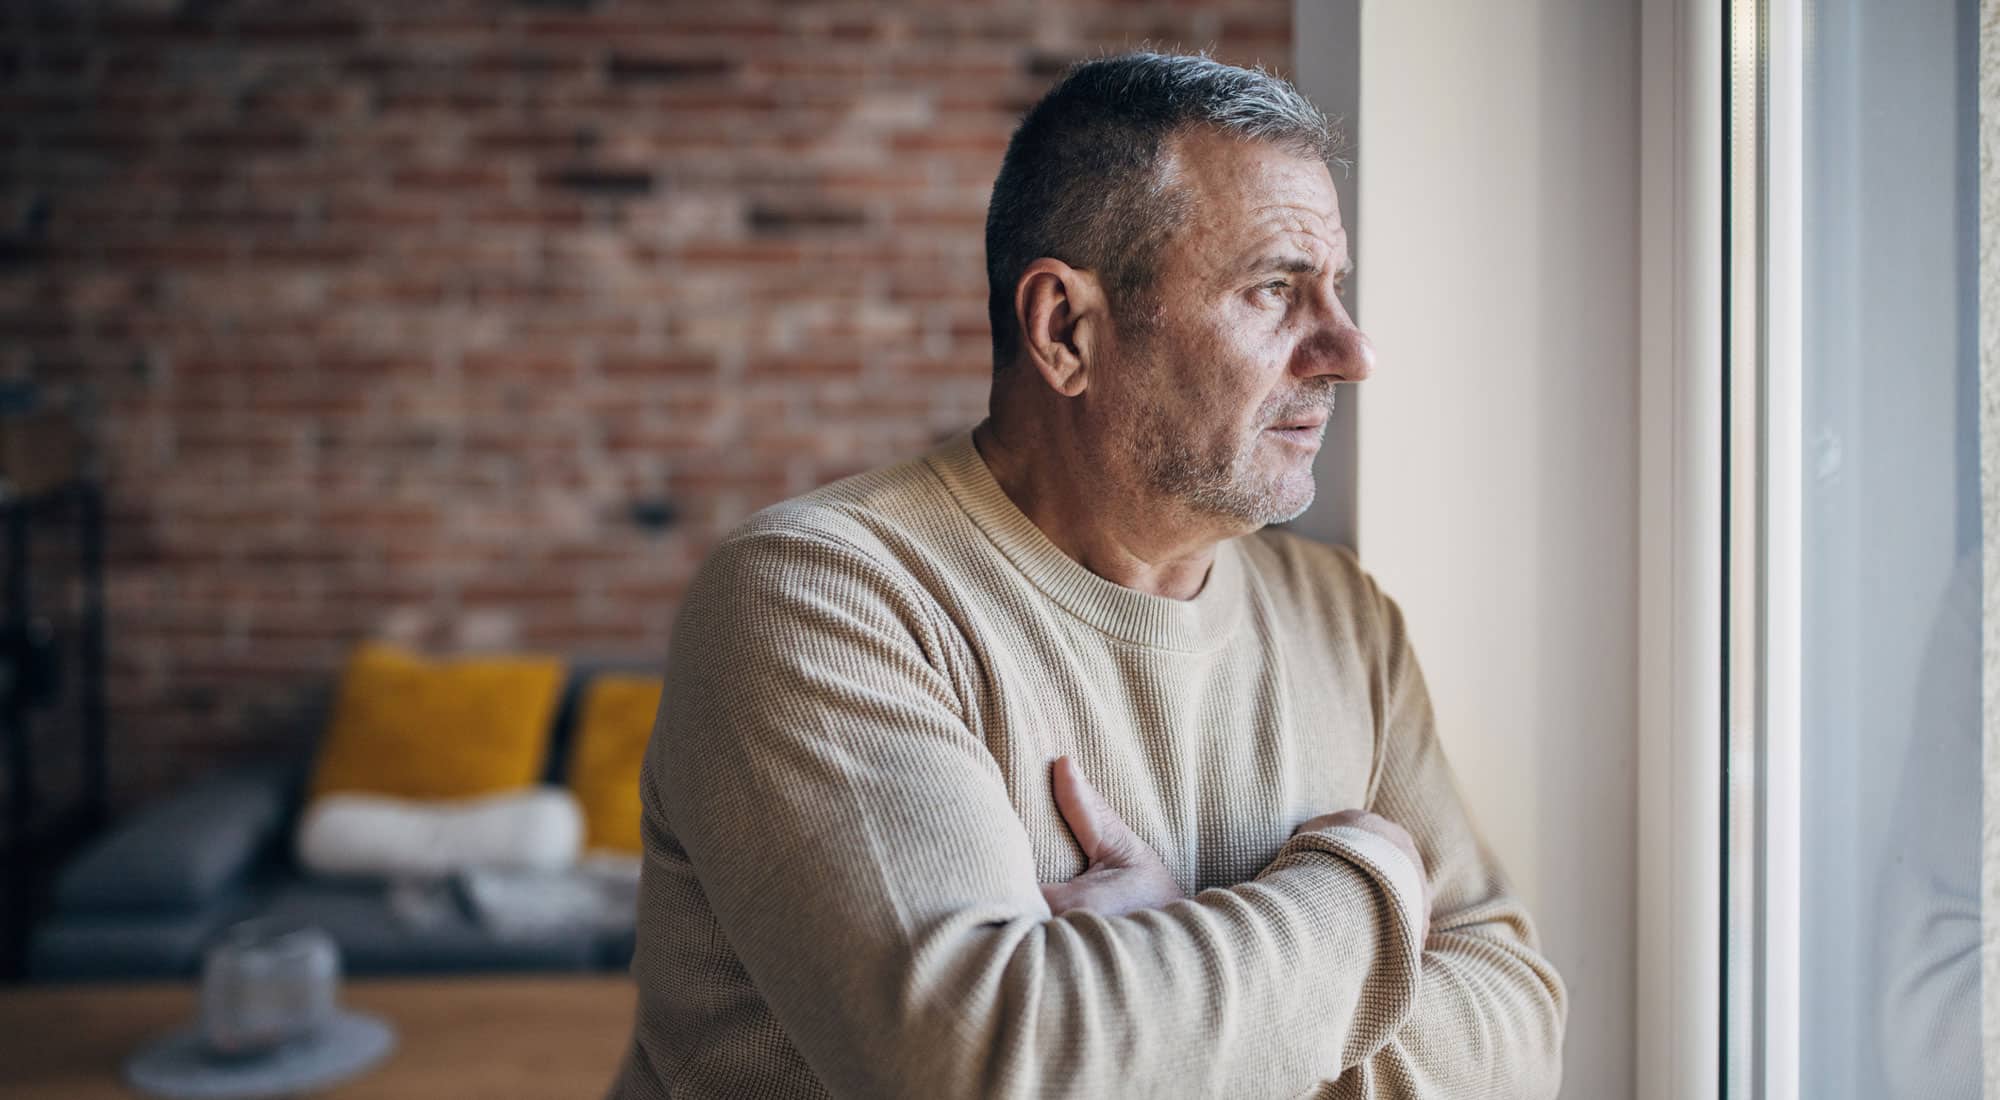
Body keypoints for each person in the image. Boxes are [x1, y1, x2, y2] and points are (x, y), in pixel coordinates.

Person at [607, 51, 1566, 1099]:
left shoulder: (1342, 620)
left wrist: (1171, 976)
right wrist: (1366, 886)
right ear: (1065, 329)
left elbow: (1514, 1031)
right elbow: (987, 1064)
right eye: (1272, 289)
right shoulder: (818, 598)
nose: (1346, 348)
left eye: (1334, 291)